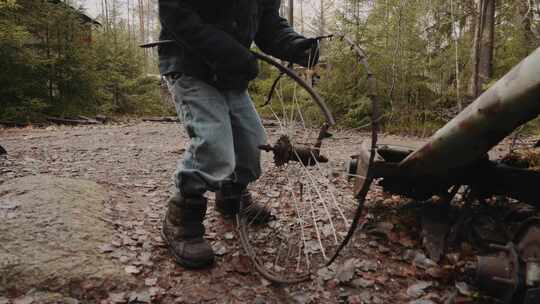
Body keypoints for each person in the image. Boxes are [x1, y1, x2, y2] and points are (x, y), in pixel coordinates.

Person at [158, 0, 319, 269]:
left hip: (231, 73)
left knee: (252, 145)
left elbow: (268, 24)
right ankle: (181, 220)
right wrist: (231, 52)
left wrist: (296, 46)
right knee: (214, 144)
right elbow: (175, 13)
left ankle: (232, 198)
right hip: (190, 66)